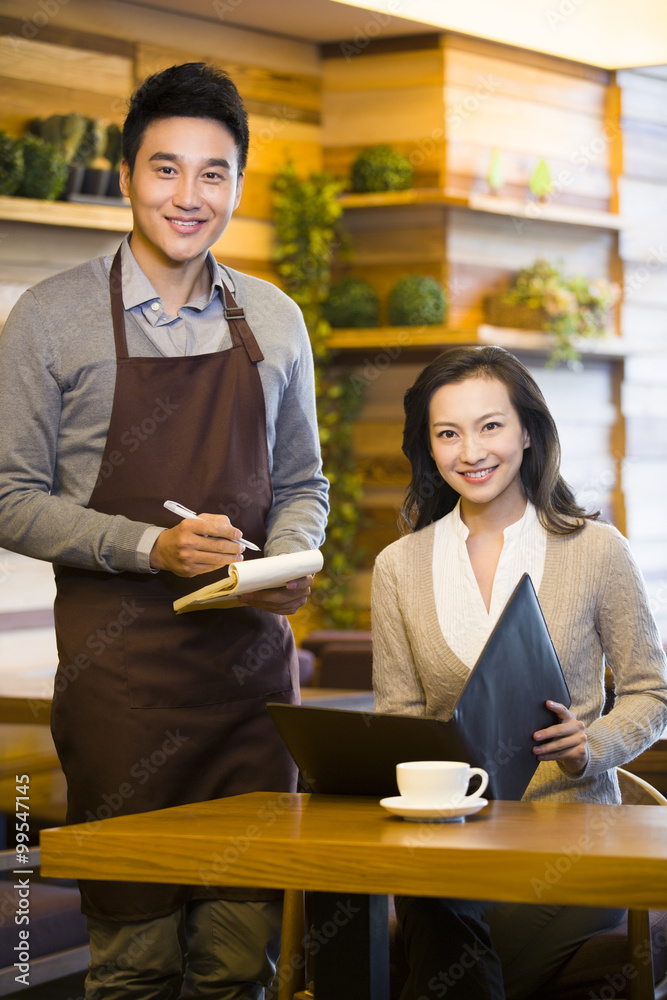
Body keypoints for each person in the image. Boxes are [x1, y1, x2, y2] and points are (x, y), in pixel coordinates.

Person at [0, 63, 328, 999]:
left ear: (237, 183)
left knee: (239, 964)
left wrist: (291, 555)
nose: (190, 197)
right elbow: (8, 496)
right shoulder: (51, 318)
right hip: (121, 691)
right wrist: (151, 548)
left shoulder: (273, 317)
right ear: (129, 172)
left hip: (251, 696)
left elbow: (304, 480)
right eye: (166, 169)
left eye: (213, 173)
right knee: (134, 967)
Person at [371, 346, 667, 1000]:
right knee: (431, 902)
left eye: (489, 426)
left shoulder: (595, 550)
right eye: (447, 433)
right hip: (452, 841)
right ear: (428, 446)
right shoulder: (398, 565)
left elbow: (651, 694)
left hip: (575, 843)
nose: (469, 451)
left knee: (432, 928)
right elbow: (398, 717)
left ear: (527, 431)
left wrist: (591, 747)